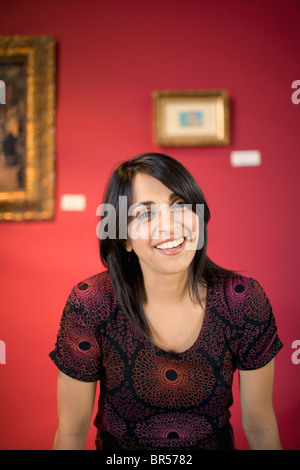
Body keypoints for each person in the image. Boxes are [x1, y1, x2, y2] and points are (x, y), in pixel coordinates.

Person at [50, 152, 283, 450]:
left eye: (180, 205)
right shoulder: (92, 302)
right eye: (145, 214)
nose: (169, 226)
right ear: (124, 239)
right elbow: (71, 434)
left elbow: (260, 426)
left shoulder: (242, 300)